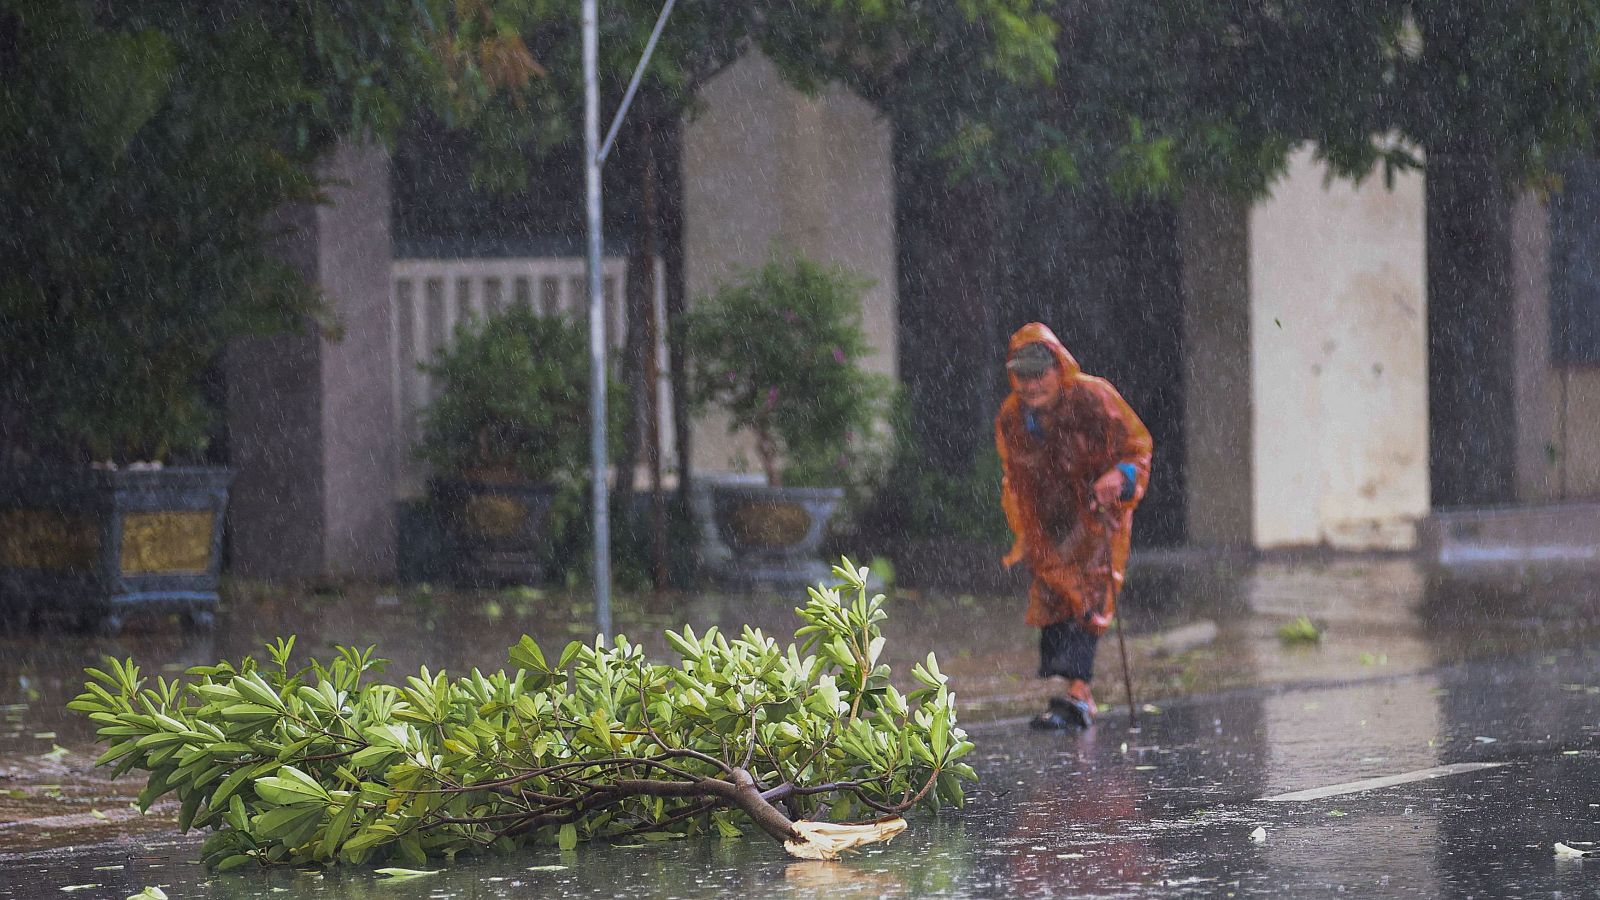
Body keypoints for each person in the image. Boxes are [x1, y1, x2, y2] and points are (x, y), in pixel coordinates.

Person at [995, 323, 1152, 730]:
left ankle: (1079, 692)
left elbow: (1137, 449)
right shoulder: (1013, 416)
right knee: (1053, 594)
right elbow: (1015, 469)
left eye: (1039, 373)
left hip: (1098, 514)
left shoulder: (1093, 397)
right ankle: (1070, 689)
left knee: (1090, 593)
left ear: (1057, 367)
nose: (1031, 384)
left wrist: (1120, 477)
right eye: (1022, 375)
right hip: (1049, 521)